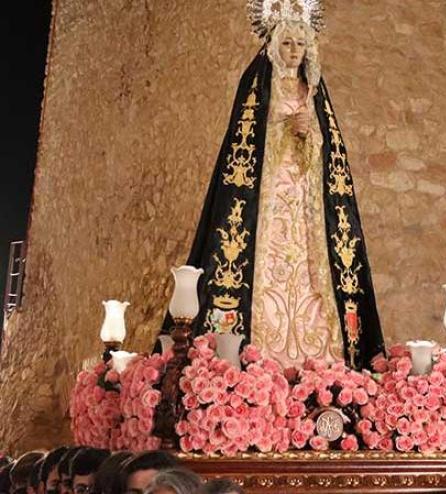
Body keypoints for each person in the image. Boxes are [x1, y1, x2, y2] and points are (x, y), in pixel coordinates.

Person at [158, 0, 385, 371]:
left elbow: (329, 153)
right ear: (273, 46)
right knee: (266, 269)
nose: (293, 51)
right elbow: (245, 144)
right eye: (287, 44)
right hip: (265, 202)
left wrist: (311, 136)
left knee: (312, 275)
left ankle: (322, 364)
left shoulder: (314, 91)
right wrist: (281, 129)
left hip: (306, 203)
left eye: (299, 44)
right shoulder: (258, 86)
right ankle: (255, 359)